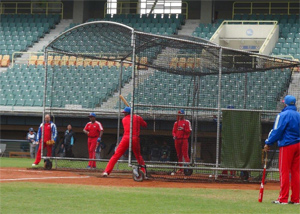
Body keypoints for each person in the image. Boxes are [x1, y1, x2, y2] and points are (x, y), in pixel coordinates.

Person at [264, 95, 300, 204]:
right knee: (296, 172)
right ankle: (295, 199)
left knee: (284, 171)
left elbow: (277, 131)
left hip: (287, 145)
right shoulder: (298, 115)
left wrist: (268, 142)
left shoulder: (283, 115)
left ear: (286, 103)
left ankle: (283, 198)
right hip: (298, 145)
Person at [103, 107, 147, 177]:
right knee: (138, 156)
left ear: (128, 113)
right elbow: (145, 125)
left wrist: (136, 117)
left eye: (125, 113)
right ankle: (144, 172)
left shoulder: (124, 119)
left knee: (116, 155)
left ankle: (106, 171)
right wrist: (138, 117)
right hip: (135, 138)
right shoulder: (137, 118)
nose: (124, 114)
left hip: (126, 138)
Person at [172, 109, 192, 174]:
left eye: (181, 114)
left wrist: (183, 129)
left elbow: (189, 130)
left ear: (183, 115)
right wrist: (174, 136)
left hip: (184, 139)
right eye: (179, 114)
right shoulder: (176, 123)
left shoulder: (187, 122)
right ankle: (181, 169)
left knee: (185, 154)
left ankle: (187, 169)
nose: (180, 115)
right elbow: (174, 132)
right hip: (177, 140)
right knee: (179, 154)